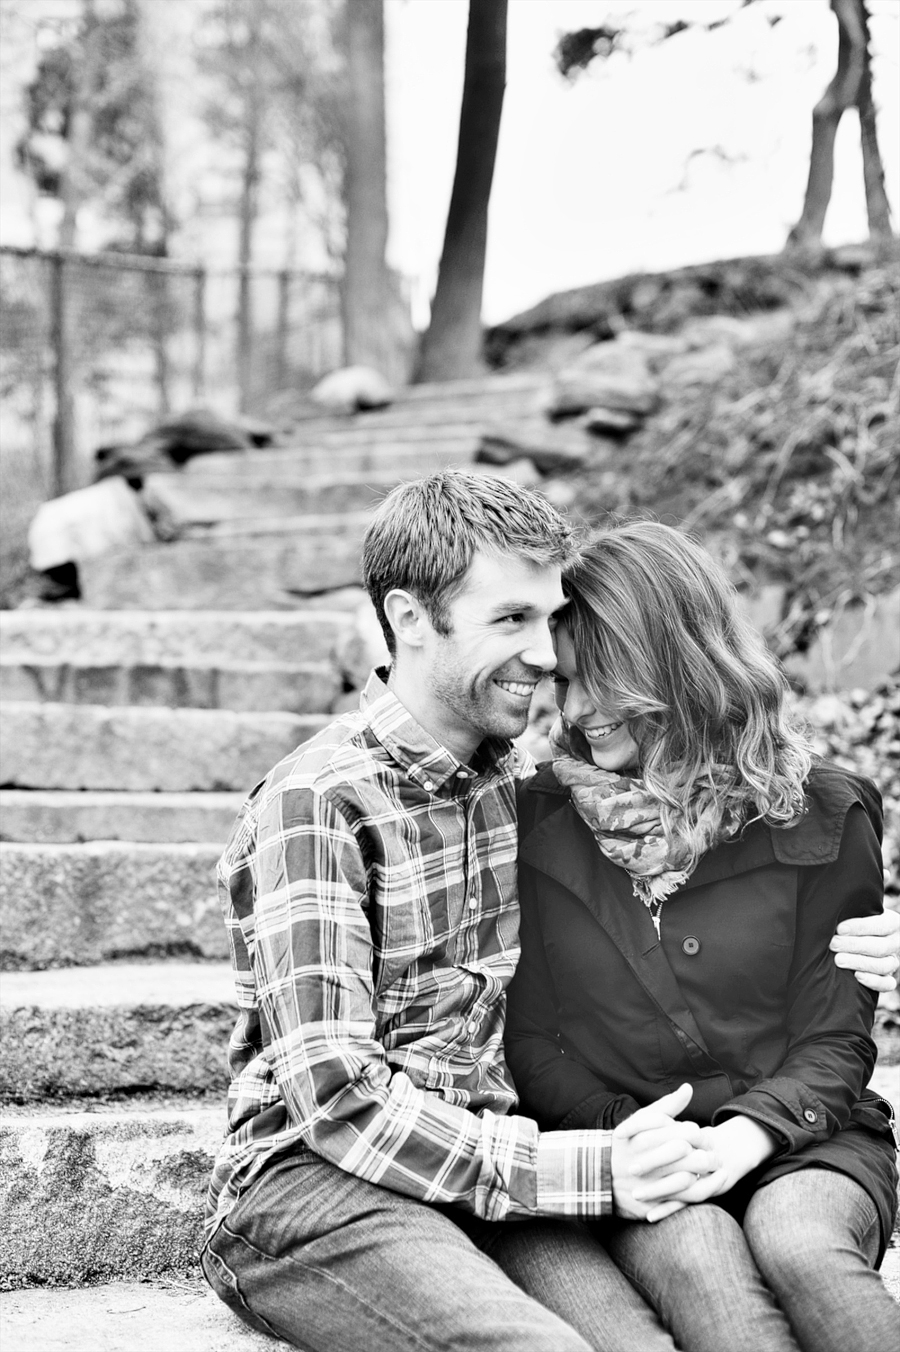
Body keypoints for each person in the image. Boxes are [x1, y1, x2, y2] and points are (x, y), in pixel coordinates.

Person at [201, 472, 898, 1352]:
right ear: (411, 619)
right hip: (328, 1175)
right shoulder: (319, 801)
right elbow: (338, 1102)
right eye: (512, 622)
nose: (543, 662)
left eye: (547, 620)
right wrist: (591, 1167)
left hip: (498, 1163)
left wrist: (871, 941)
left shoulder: (513, 789)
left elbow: (713, 811)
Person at [506, 519, 899, 1352]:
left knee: (802, 1248)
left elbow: (835, 1036)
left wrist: (752, 1132)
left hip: (804, 1134)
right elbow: (534, 1037)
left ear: (670, 663)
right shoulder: (537, 816)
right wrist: (638, 1140)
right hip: (633, 1142)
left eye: (595, 681)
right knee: (706, 1272)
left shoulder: (827, 813)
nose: (574, 711)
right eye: (563, 682)